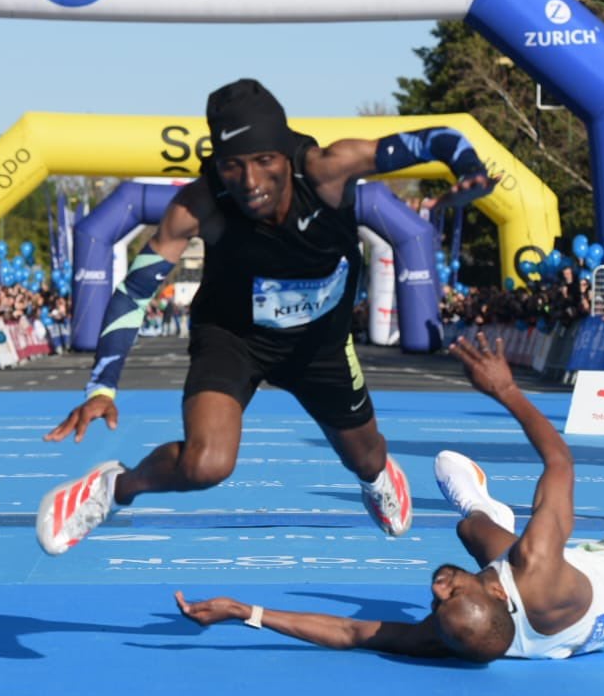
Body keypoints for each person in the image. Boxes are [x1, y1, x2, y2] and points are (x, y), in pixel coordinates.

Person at [36, 78, 494, 554]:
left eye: (264, 161)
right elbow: (134, 291)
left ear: (286, 154)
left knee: (366, 456)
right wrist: (101, 387)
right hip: (233, 337)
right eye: (232, 165)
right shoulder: (199, 205)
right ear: (217, 164)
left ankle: (377, 478)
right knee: (205, 465)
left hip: (321, 344)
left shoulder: (328, 170)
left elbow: (439, 138)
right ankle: (112, 489)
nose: (251, 181)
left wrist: (470, 171)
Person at [174, 334, 604, 662]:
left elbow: (350, 633)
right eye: (452, 592)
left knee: (471, 534)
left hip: (581, 611)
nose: (437, 588)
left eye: (439, 599)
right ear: (496, 591)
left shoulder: (459, 633)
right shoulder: (535, 566)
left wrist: (245, 611)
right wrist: (505, 390)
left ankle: (485, 511)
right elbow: (559, 459)